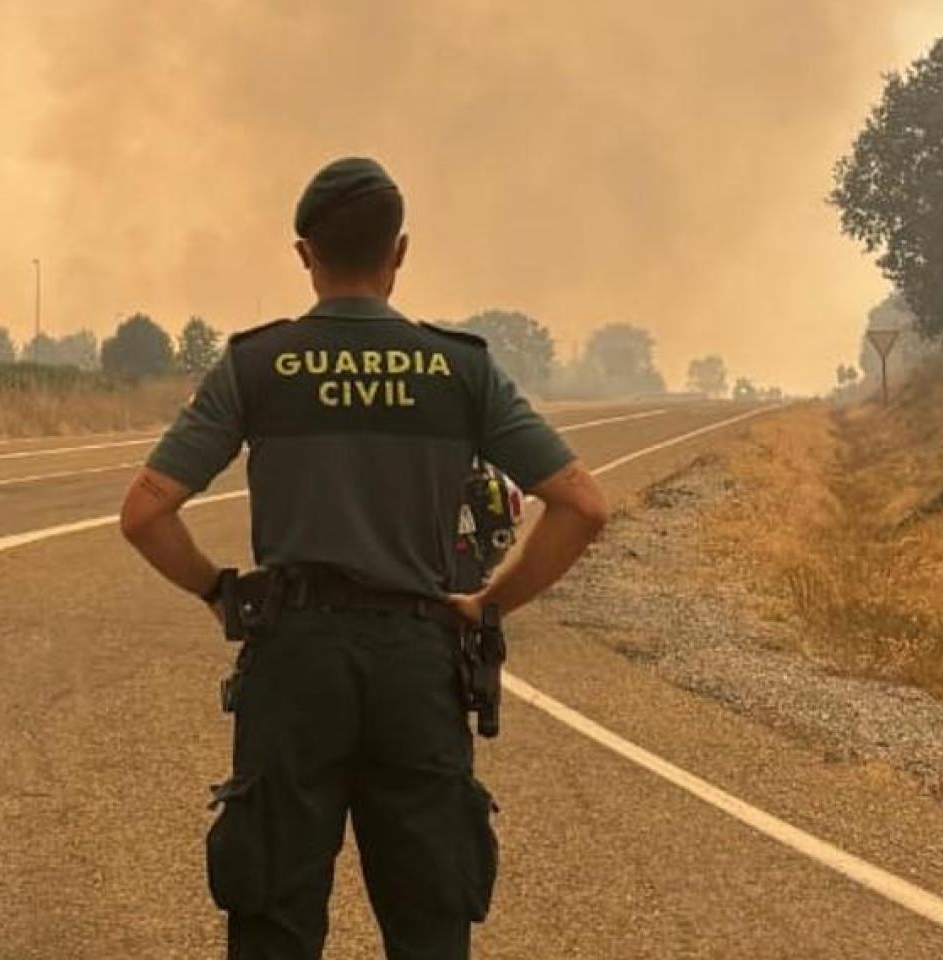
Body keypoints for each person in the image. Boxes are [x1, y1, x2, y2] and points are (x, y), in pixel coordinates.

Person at [118, 157, 609, 960]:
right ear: (400, 252)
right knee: (428, 919)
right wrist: (488, 604)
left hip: (294, 662)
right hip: (418, 663)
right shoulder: (461, 369)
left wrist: (219, 593)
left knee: (273, 910)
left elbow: (145, 512)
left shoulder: (256, 364)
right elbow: (581, 505)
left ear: (304, 253)